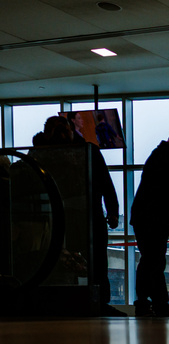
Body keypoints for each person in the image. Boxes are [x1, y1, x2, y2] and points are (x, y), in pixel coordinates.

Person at [37, 115, 122, 316]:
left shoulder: (50, 154)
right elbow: (106, 184)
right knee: (93, 261)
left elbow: (105, 183)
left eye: (63, 128)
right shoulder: (87, 151)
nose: (60, 133)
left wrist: (113, 211)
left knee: (96, 262)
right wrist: (112, 212)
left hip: (69, 216)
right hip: (73, 216)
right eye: (56, 129)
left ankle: (98, 303)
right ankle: (97, 303)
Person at [130, 128, 169, 317]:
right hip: (154, 217)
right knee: (154, 260)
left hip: (146, 216)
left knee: (150, 259)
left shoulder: (159, 155)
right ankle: (158, 303)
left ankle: (147, 302)